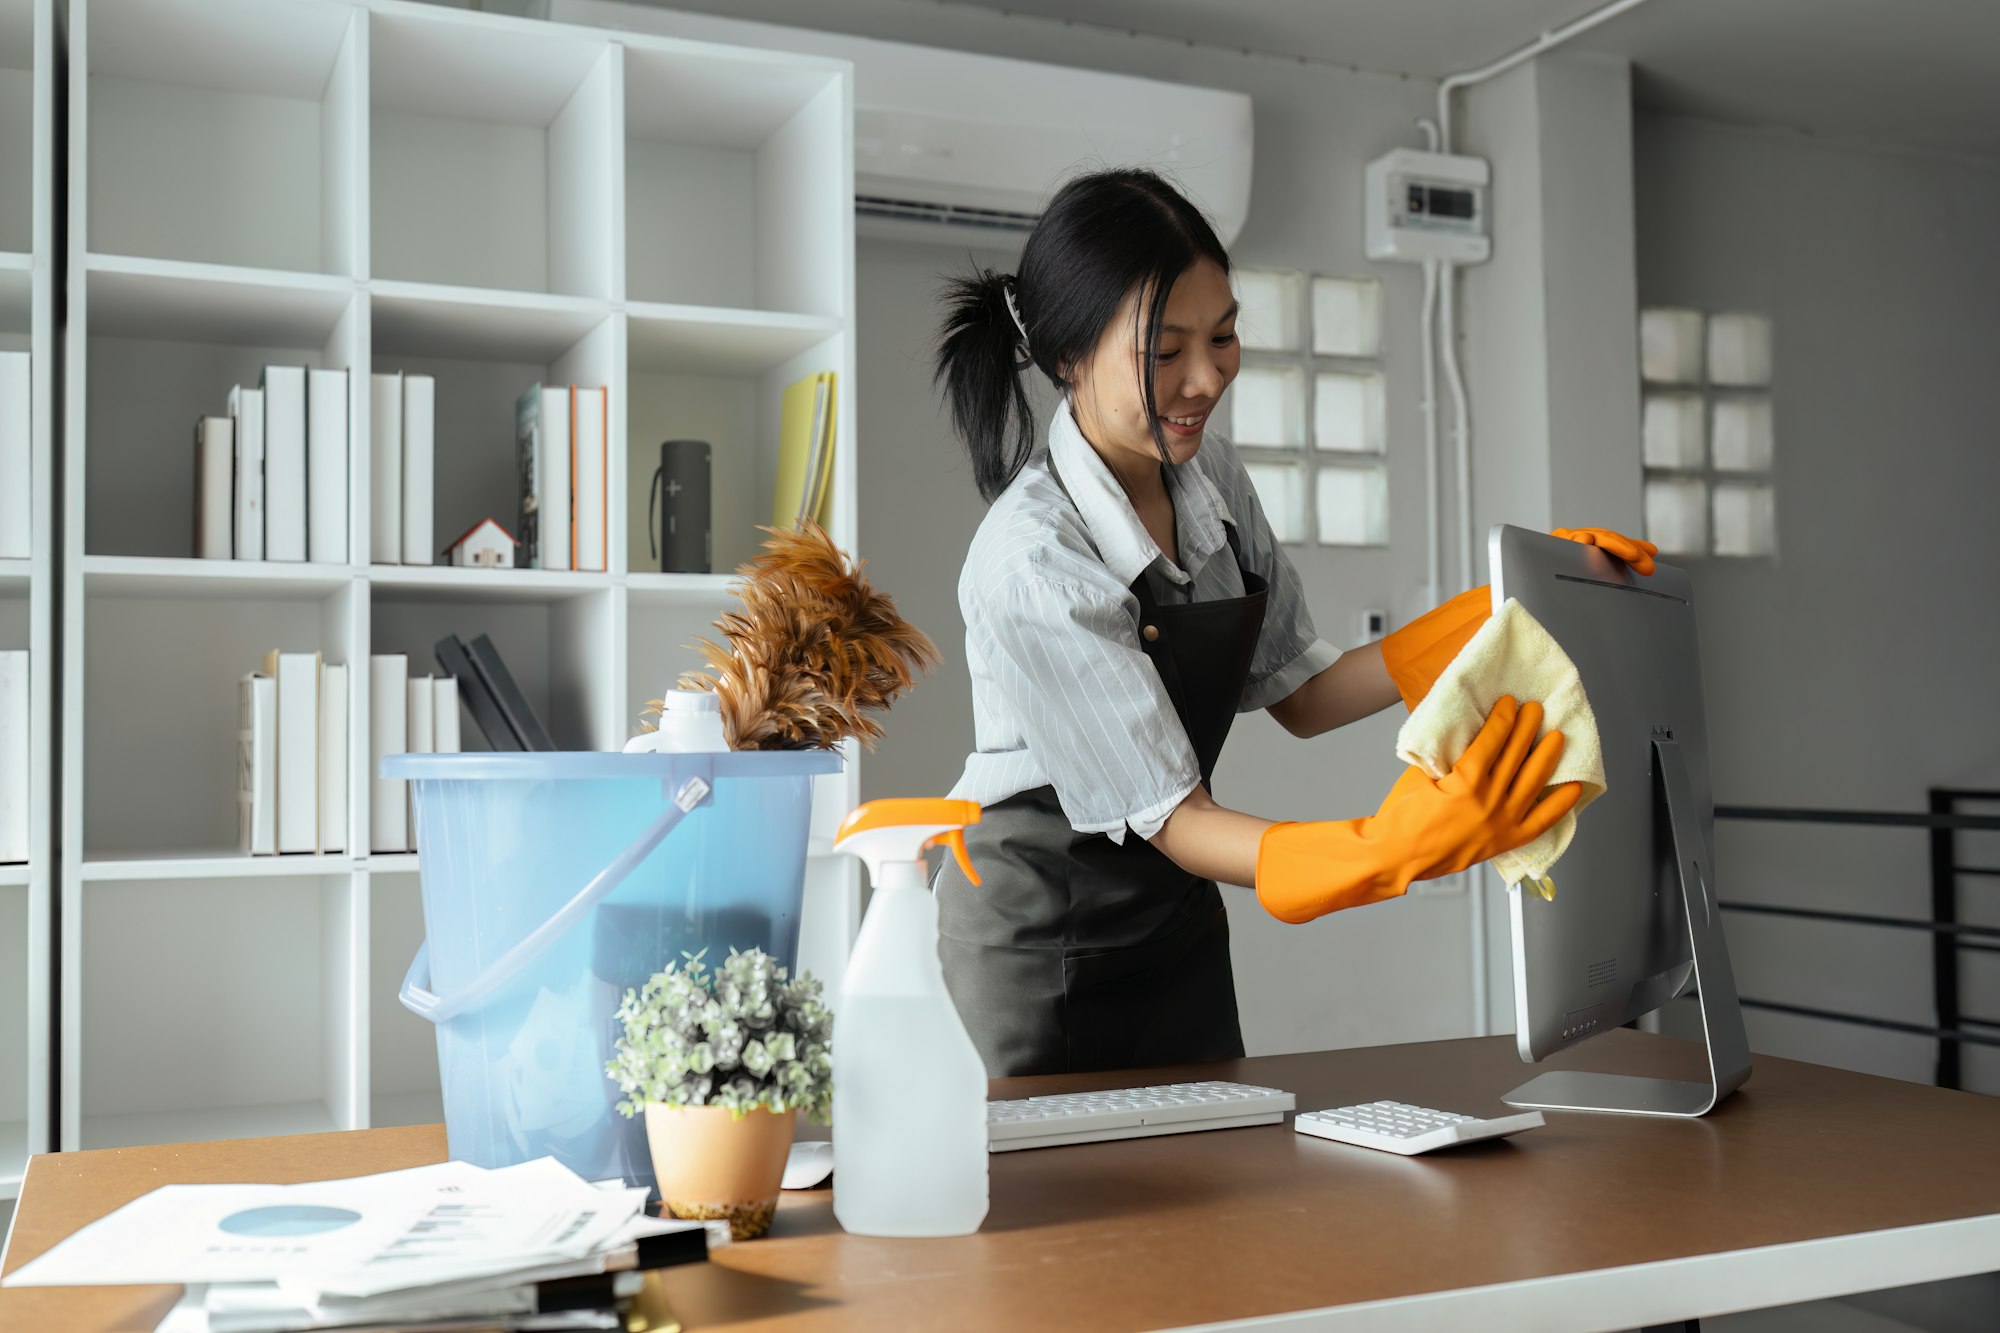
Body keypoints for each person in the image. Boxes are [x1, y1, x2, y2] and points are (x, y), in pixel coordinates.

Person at [930, 167, 1657, 1078]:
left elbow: (1303, 693)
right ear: (1069, 356)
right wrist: (1389, 848)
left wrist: (1502, 610)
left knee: (1215, 1181)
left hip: (1174, 911)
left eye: (1225, 335)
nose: (1206, 378)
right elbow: (1177, 816)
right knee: (1065, 1208)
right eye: (1165, 352)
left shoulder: (1211, 480)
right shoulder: (1032, 559)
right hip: (1035, 934)